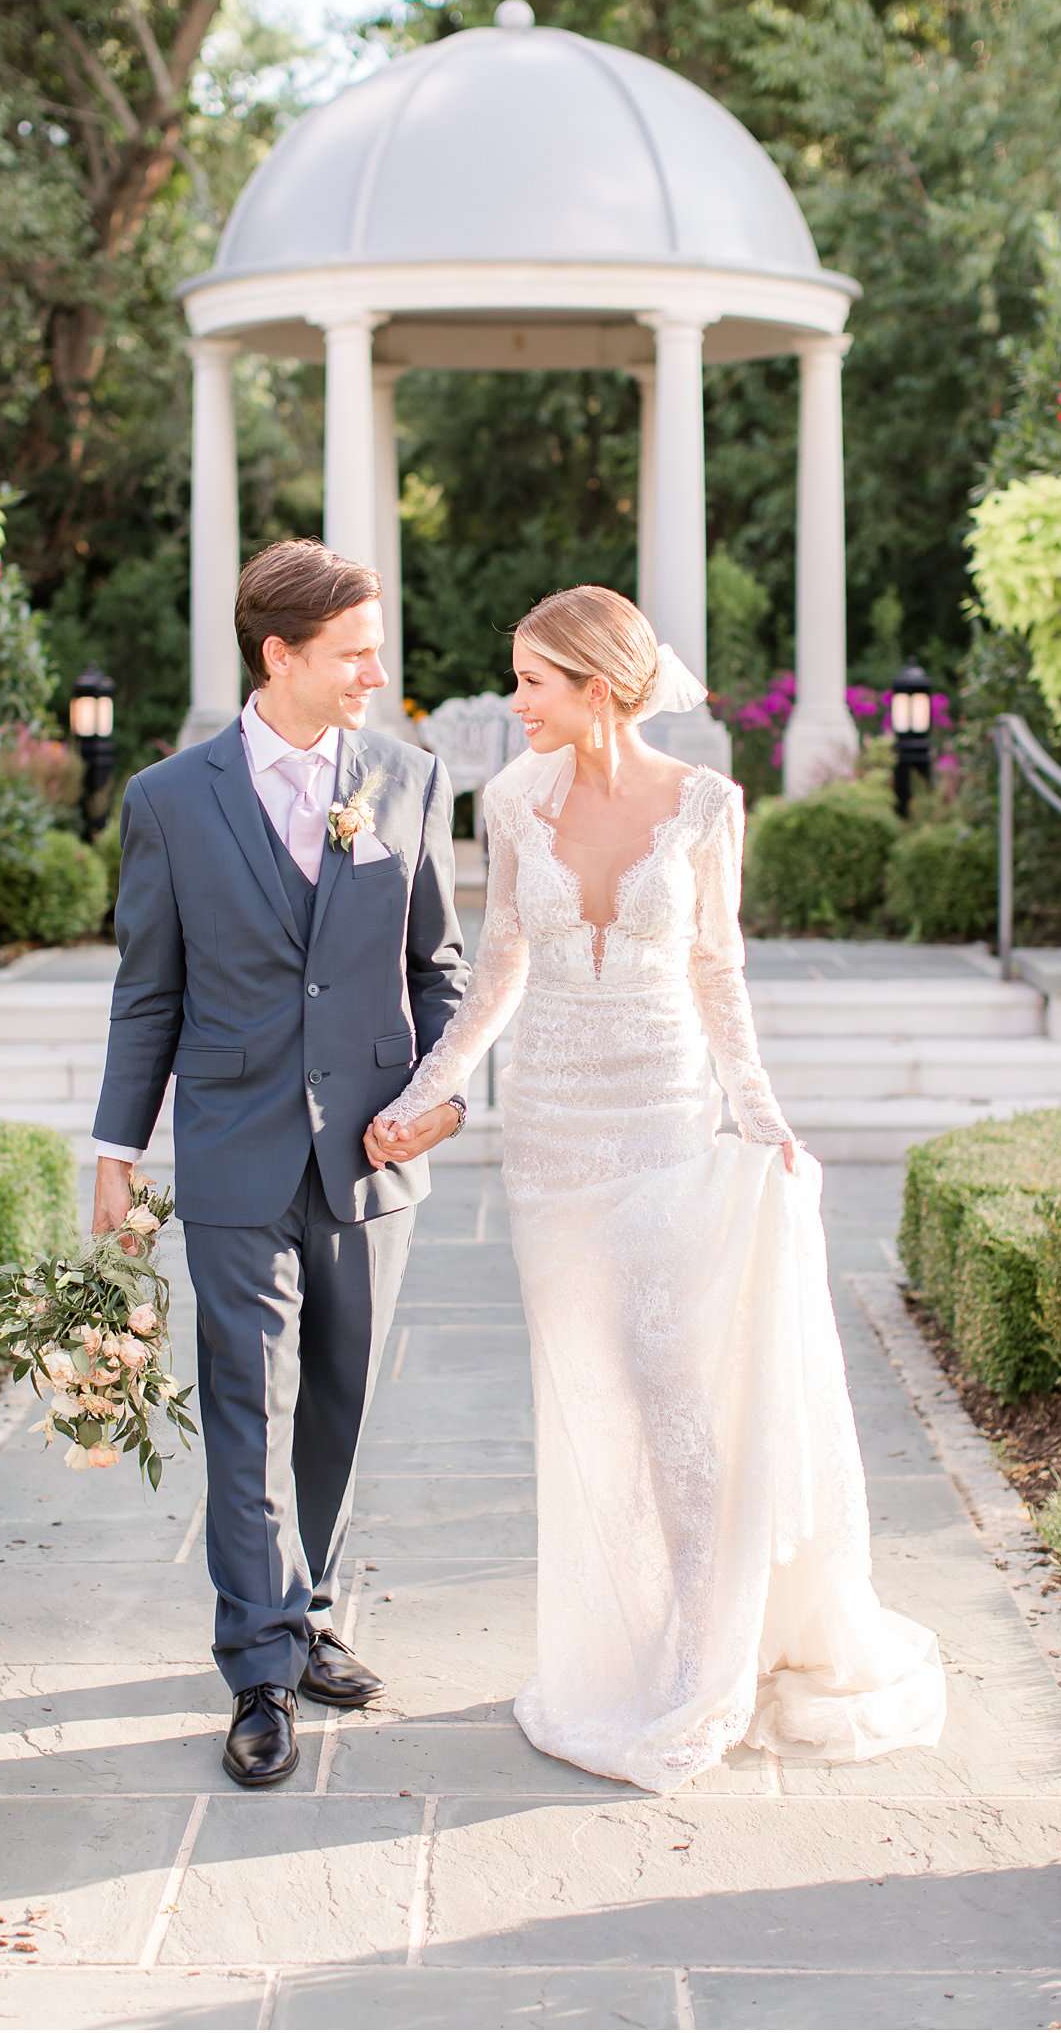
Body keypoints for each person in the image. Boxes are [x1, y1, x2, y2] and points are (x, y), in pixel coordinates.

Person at [366, 585, 945, 1794]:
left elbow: (718, 974)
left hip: (664, 1119)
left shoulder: (704, 803)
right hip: (552, 1136)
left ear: (595, 688)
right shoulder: (509, 801)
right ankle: (618, 1643)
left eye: (531, 681)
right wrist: (427, 1092)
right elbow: (494, 979)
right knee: (595, 1396)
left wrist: (764, 1117)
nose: (512, 701)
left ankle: (698, 1659)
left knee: (674, 1384)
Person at [92, 539, 468, 1788]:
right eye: (355, 653)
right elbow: (147, 995)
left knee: (341, 1399)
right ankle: (256, 1664)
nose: (376, 672)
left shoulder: (410, 779)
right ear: (280, 655)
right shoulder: (166, 800)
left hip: (371, 1150)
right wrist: (114, 1149)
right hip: (235, 1148)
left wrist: (435, 1098)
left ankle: (304, 1614)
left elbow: (440, 971)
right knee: (248, 1402)